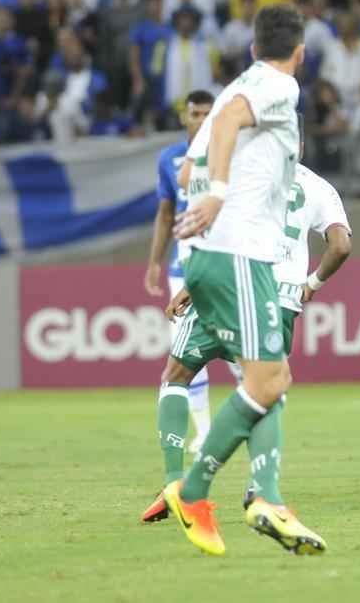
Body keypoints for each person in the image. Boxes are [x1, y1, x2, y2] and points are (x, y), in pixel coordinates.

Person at [155, 4, 323, 557]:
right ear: (297, 53)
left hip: (211, 257)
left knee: (272, 377)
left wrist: (214, 186)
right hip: (240, 254)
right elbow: (225, 130)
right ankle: (194, 491)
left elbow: (185, 169)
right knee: (269, 382)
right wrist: (223, 193)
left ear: (252, 47)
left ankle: (266, 499)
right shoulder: (278, 86)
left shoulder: (232, 89)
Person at [141, 89, 216, 462]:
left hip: (221, 261)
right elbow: (165, 212)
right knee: (184, 348)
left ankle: (247, 425)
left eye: (207, 114)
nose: (201, 120)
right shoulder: (169, 159)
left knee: (236, 353)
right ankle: (202, 431)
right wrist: (156, 260)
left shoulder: (228, 154)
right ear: (184, 118)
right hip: (181, 264)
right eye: (195, 114)